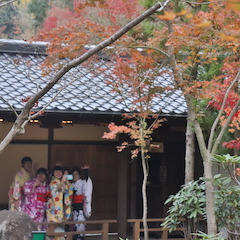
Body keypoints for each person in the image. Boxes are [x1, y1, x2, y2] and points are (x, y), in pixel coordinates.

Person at [46, 165, 74, 240]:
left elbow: (71, 188)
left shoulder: (63, 182)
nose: (58, 173)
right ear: (53, 173)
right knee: (53, 227)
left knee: (61, 229)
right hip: (54, 209)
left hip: (61, 209)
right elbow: (56, 191)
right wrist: (62, 181)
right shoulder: (53, 182)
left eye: (60, 172)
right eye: (56, 172)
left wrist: (66, 180)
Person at [72, 165, 93, 240]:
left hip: (80, 208)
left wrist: (86, 171)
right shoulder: (71, 184)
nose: (75, 176)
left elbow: (87, 180)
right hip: (73, 208)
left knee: (80, 226)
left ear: (80, 175)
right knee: (73, 226)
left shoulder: (82, 183)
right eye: (73, 174)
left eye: (76, 174)